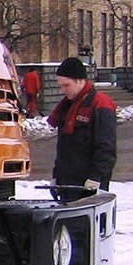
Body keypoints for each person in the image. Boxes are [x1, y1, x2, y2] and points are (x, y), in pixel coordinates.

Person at [47, 56, 116, 196]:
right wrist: (56, 176)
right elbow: (63, 147)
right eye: (60, 85)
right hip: (67, 181)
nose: (63, 90)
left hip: (88, 183)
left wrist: (96, 178)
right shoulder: (66, 106)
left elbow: (106, 147)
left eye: (66, 85)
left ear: (80, 81)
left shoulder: (100, 104)